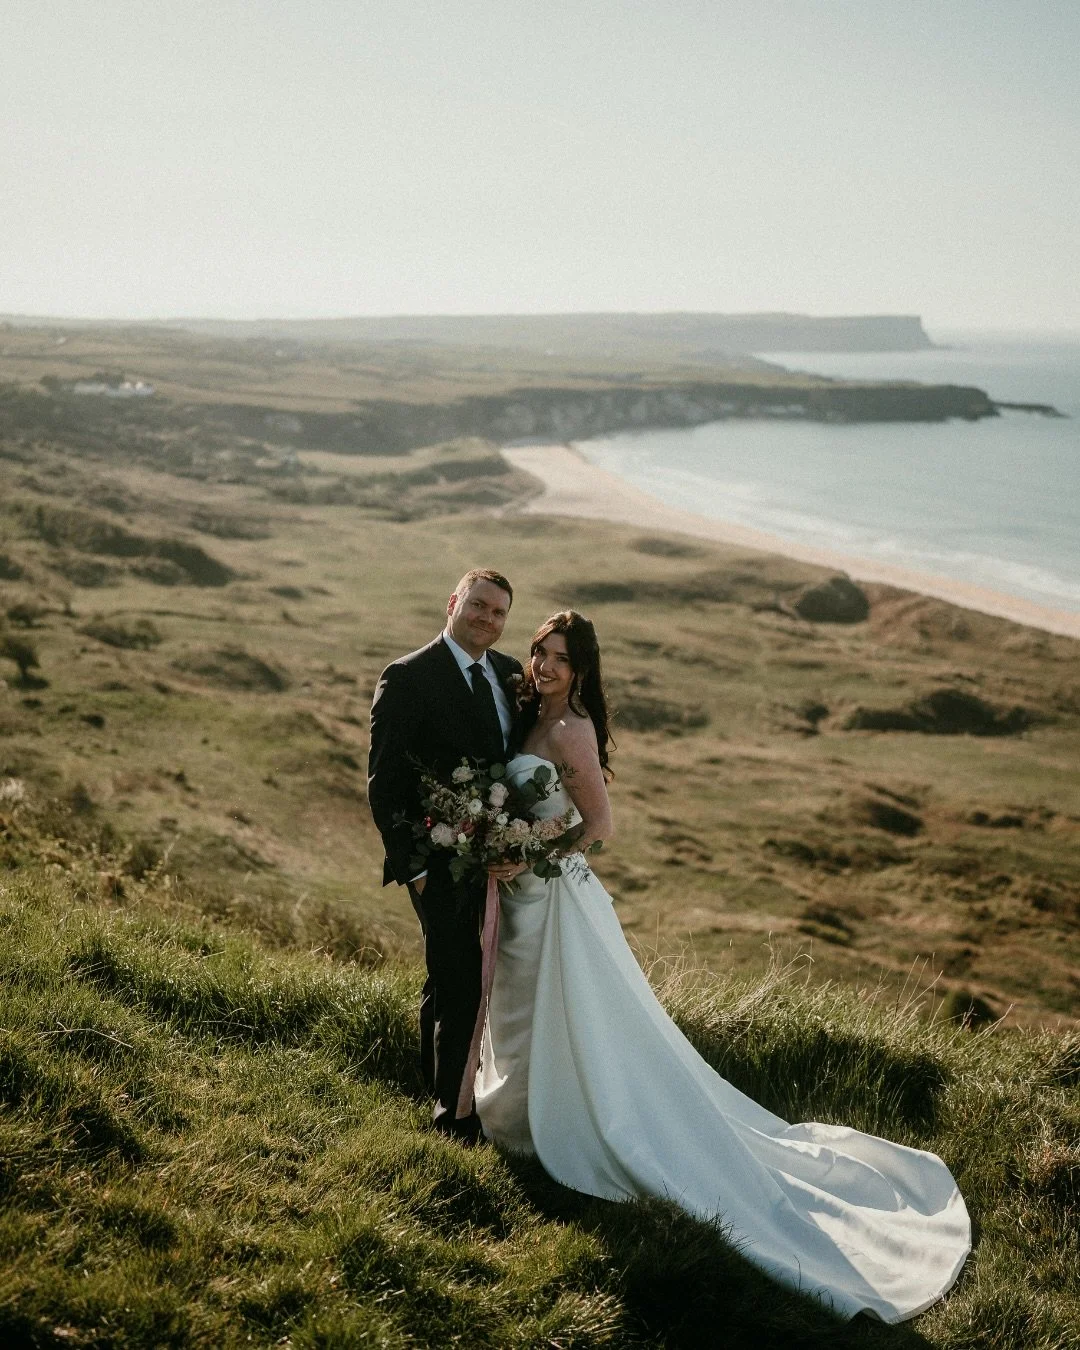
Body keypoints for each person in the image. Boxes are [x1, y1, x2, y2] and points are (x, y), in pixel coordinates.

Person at [474, 610, 971, 1324]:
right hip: (522, 900)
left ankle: (572, 1125)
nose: (544, 665)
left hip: (556, 900)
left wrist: (529, 855)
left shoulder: (570, 728)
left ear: (581, 669)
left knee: (573, 1017)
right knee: (522, 1007)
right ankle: (519, 1119)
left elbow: (599, 827)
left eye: (559, 657)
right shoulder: (530, 712)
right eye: (539, 651)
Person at [367, 569, 522, 1143]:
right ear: (453, 602)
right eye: (478, 605)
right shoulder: (408, 677)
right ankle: (453, 1119)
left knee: (450, 976)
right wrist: (415, 872)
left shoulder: (510, 674)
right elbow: (385, 784)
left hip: (499, 859)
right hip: (436, 861)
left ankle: (436, 1084)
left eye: (499, 612)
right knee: (459, 977)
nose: (487, 618)